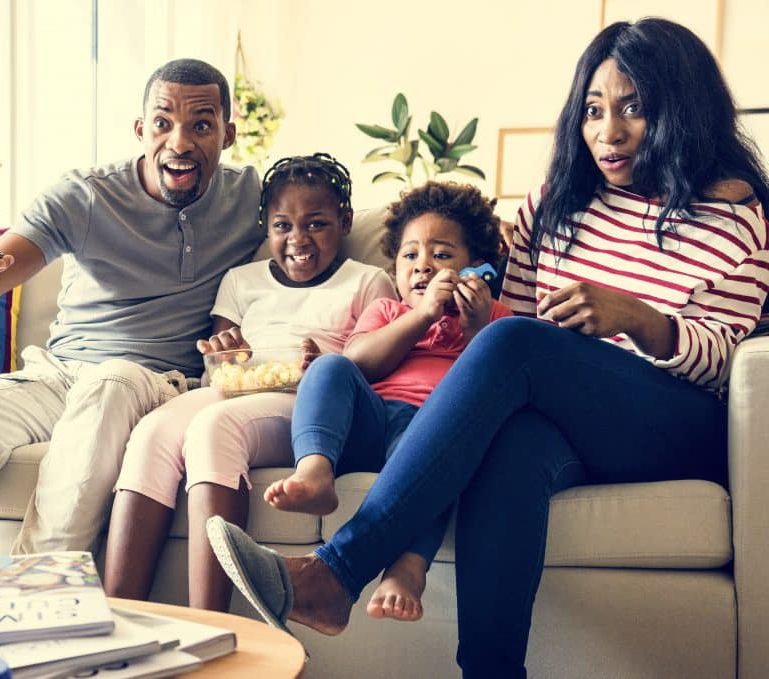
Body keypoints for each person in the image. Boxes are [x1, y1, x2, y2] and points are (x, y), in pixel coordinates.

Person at [205, 17, 769, 679]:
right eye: (592, 110)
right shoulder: (557, 204)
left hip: (671, 418)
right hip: (561, 419)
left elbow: (724, 360)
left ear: (684, 110)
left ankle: (336, 572)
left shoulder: (735, 214)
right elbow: (519, 330)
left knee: (514, 343)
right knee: (515, 443)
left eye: (633, 109)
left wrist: (640, 319)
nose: (607, 132)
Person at [0, 58, 265, 562]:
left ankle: (37, 601)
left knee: (110, 384)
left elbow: (318, 231)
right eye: (162, 122)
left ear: (228, 134)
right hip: (60, 377)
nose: (179, 142)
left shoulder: (252, 199)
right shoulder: (85, 195)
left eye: (201, 124)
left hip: (151, 383)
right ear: (140, 129)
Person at [103, 154, 397, 611]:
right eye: (282, 226)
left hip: (307, 403)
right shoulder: (241, 280)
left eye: (316, 224)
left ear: (344, 221)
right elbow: (218, 368)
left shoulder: (367, 280)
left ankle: (212, 627)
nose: (298, 240)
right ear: (266, 227)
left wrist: (326, 363)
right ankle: (120, 616)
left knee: (215, 428)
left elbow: (373, 364)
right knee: (152, 434)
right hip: (235, 389)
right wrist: (228, 355)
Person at [263, 180, 512, 622]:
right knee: (329, 367)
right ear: (394, 268)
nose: (424, 267)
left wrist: (476, 327)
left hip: (432, 434)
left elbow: (492, 387)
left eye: (442, 255)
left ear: (476, 268)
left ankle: (406, 569)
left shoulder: (496, 318)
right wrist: (421, 317)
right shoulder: (389, 312)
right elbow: (361, 362)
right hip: (372, 422)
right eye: (410, 256)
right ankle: (316, 472)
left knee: (438, 457)